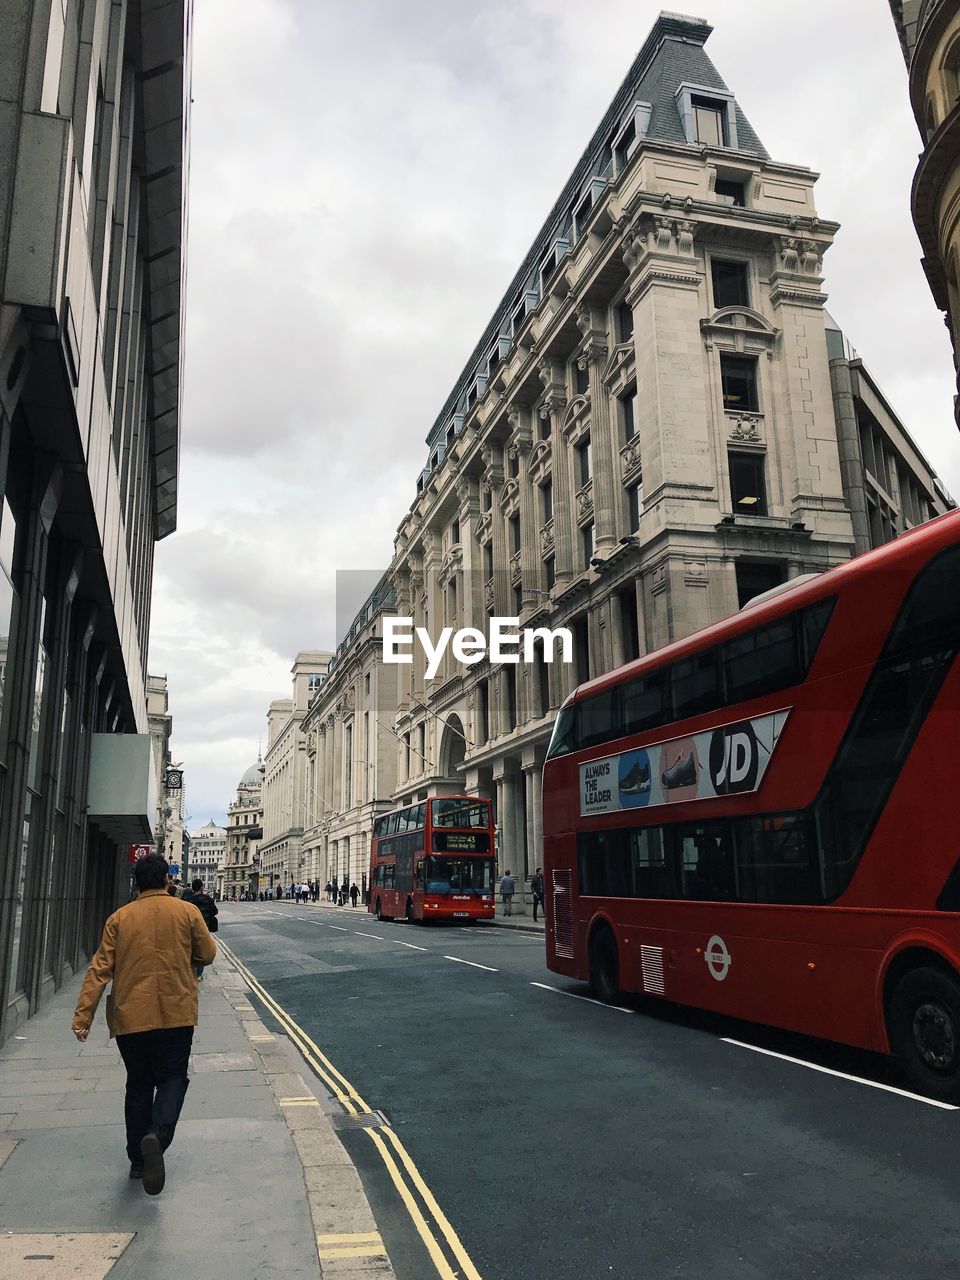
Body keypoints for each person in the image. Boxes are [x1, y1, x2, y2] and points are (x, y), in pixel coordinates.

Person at [71, 855, 216, 1196]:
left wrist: (83, 1017)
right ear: (167, 878)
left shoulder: (119, 918)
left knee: (138, 1084)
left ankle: (138, 1160)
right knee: (172, 1078)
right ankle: (158, 1136)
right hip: (176, 1012)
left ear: (136, 881)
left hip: (130, 1016)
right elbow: (208, 954)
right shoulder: (187, 912)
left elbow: (99, 969)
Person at [181, 879, 218, 978]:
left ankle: (191, 970)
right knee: (201, 950)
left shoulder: (189, 901)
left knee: (191, 949)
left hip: (191, 928)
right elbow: (215, 912)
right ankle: (198, 975)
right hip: (204, 928)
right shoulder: (208, 899)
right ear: (201, 887)